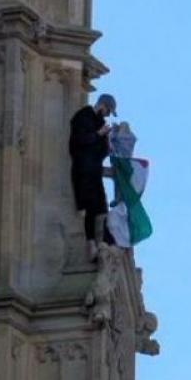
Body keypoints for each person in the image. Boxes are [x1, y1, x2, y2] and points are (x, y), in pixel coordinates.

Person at [69, 94, 117, 261]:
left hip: (94, 172)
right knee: (88, 209)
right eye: (108, 111)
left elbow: (100, 152)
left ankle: (102, 245)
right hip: (83, 172)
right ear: (102, 105)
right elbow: (78, 142)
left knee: (101, 209)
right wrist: (98, 134)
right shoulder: (83, 116)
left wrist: (108, 143)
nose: (107, 116)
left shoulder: (99, 123)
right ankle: (90, 246)